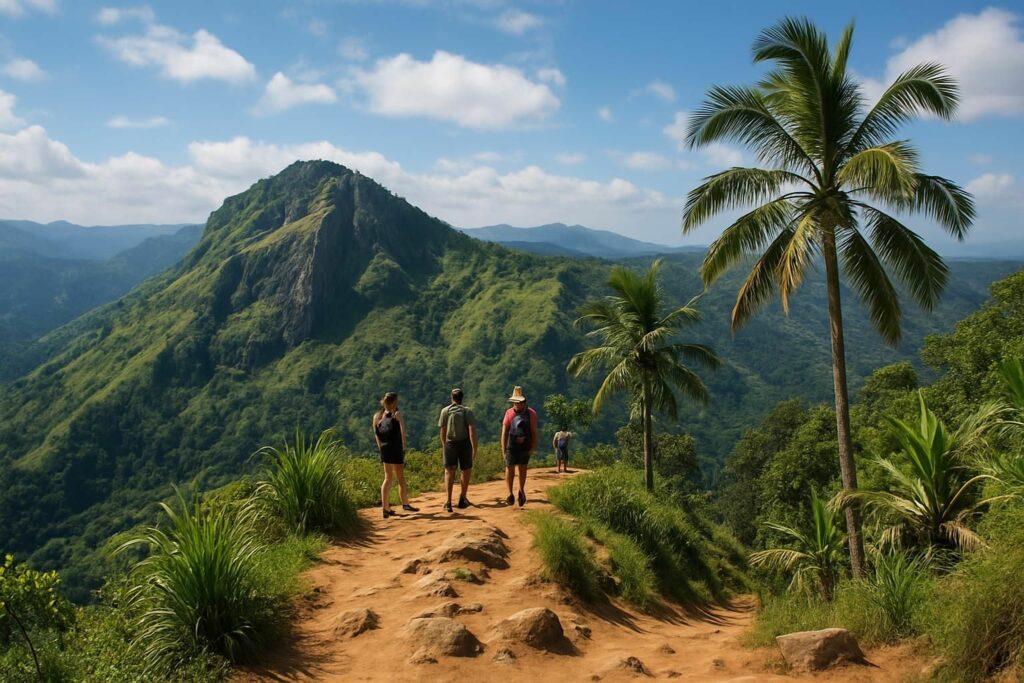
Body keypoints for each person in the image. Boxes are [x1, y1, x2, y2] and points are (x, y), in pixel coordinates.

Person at [373, 392, 418, 519]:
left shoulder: (377, 416)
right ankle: (405, 504)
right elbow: (403, 432)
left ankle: (385, 508)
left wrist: (381, 448)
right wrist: (403, 445)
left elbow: (377, 435)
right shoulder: (397, 414)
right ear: (394, 402)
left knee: (387, 478)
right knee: (400, 477)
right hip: (395, 448)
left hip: (384, 448)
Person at [438, 387, 478, 513]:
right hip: (465, 443)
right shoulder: (467, 411)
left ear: (452, 398)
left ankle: (448, 501)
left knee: (449, 472)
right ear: (462, 398)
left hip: (450, 444)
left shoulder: (445, 411)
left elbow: (442, 430)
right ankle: (463, 498)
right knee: (465, 470)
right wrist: (474, 448)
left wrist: (445, 445)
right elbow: (472, 431)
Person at [501, 386, 538, 507]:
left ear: (523, 402)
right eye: (514, 402)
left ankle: (521, 490)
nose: (515, 404)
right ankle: (510, 493)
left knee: (521, 468)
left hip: (523, 447)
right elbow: (504, 432)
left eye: (517, 402)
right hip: (512, 447)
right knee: (510, 468)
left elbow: (534, 432)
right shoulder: (510, 412)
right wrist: (504, 449)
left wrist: (532, 448)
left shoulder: (531, 414)